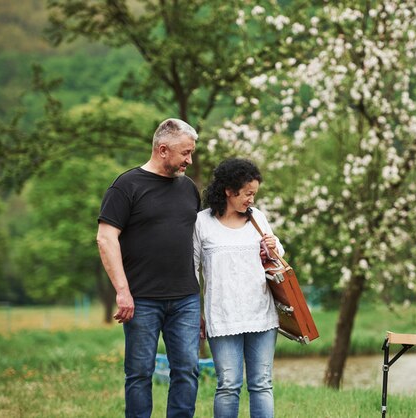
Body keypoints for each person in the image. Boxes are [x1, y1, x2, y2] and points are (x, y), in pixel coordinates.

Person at [96, 118, 202, 418]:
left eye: (191, 153)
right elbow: (106, 238)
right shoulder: (126, 186)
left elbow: (198, 242)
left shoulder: (189, 189)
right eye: (185, 153)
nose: (189, 160)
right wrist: (122, 291)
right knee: (140, 373)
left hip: (186, 299)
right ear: (163, 149)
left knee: (187, 371)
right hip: (141, 299)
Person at [193, 158, 283, 418]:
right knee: (229, 385)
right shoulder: (202, 223)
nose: (251, 200)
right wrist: (195, 313)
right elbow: (192, 270)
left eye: (254, 193)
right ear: (229, 191)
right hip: (222, 317)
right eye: (247, 194)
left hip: (261, 315)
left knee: (261, 384)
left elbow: (277, 260)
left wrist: (273, 248)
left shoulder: (258, 219)